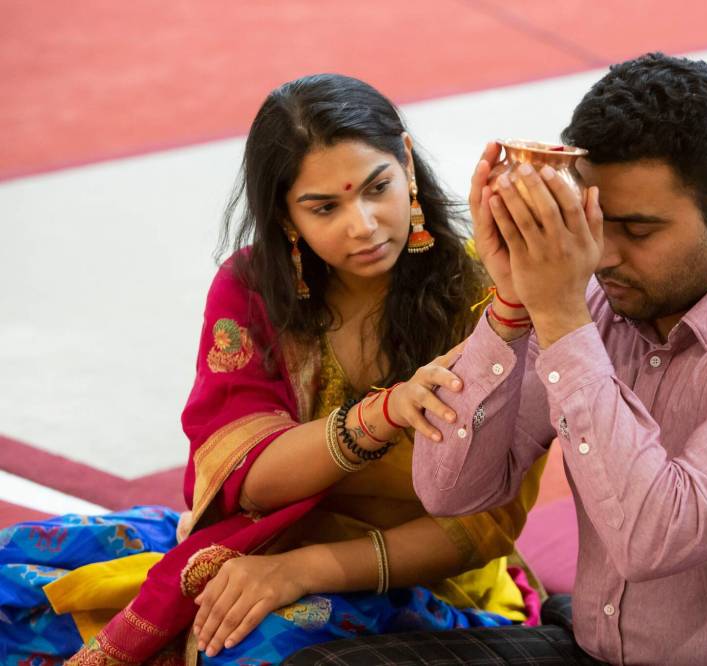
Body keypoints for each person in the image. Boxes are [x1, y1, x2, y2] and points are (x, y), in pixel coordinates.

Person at [291, 53, 707, 664]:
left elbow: (652, 539)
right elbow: (451, 489)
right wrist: (509, 304)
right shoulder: (593, 300)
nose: (603, 255)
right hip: (597, 648)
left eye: (637, 230)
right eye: (592, 219)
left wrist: (558, 315)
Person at [0, 73, 545, 665]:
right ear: (286, 215)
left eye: (376, 187)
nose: (361, 224)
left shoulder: (492, 294)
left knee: (243, 648)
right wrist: (381, 415)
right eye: (325, 207)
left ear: (407, 164)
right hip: (260, 538)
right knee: (19, 578)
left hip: (418, 576)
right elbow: (244, 476)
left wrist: (301, 570)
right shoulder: (254, 292)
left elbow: (481, 527)